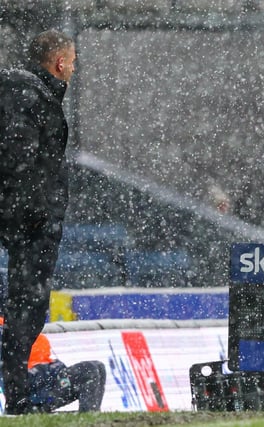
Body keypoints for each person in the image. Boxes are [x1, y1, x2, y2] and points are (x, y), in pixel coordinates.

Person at [0, 29, 76, 415]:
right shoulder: (32, 97)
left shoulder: (23, 93)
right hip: (30, 222)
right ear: (60, 62)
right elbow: (20, 159)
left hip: (25, 218)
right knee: (25, 309)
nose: (74, 69)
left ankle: (17, 391)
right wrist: (32, 214)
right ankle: (17, 395)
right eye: (73, 61)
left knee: (25, 309)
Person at [0, 317, 106, 413]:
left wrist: (55, 367)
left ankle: (92, 414)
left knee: (99, 366)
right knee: (89, 370)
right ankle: (88, 417)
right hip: (35, 392)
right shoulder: (7, 332)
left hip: (49, 381)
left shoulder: (19, 325)